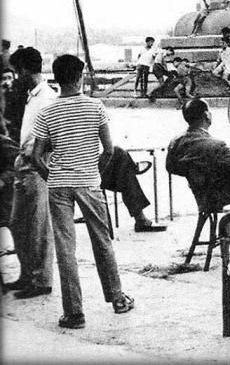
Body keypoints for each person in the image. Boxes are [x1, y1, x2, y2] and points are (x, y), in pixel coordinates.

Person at [32, 54, 135, 329]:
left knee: (65, 248)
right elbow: (110, 149)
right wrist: (95, 172)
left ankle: (74, 313)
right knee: (102, 241)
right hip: (89, 181)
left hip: (58, 186)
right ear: (80, 76)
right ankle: (118, 299)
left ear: (56, 78)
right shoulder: (95, 106)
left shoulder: (47, 111)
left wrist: (52, 175)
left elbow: (36, 155)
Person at [6, 47, 57, 298]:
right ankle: (28, 274)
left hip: (36, 168)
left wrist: (29, 155)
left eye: (17, 72)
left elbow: (47, 137)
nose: (16, 76)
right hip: (23, 167)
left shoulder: (47, 98)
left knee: (37, 228)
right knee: (18, 224)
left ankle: (40, 280)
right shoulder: (32, 97)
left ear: (25, 70)